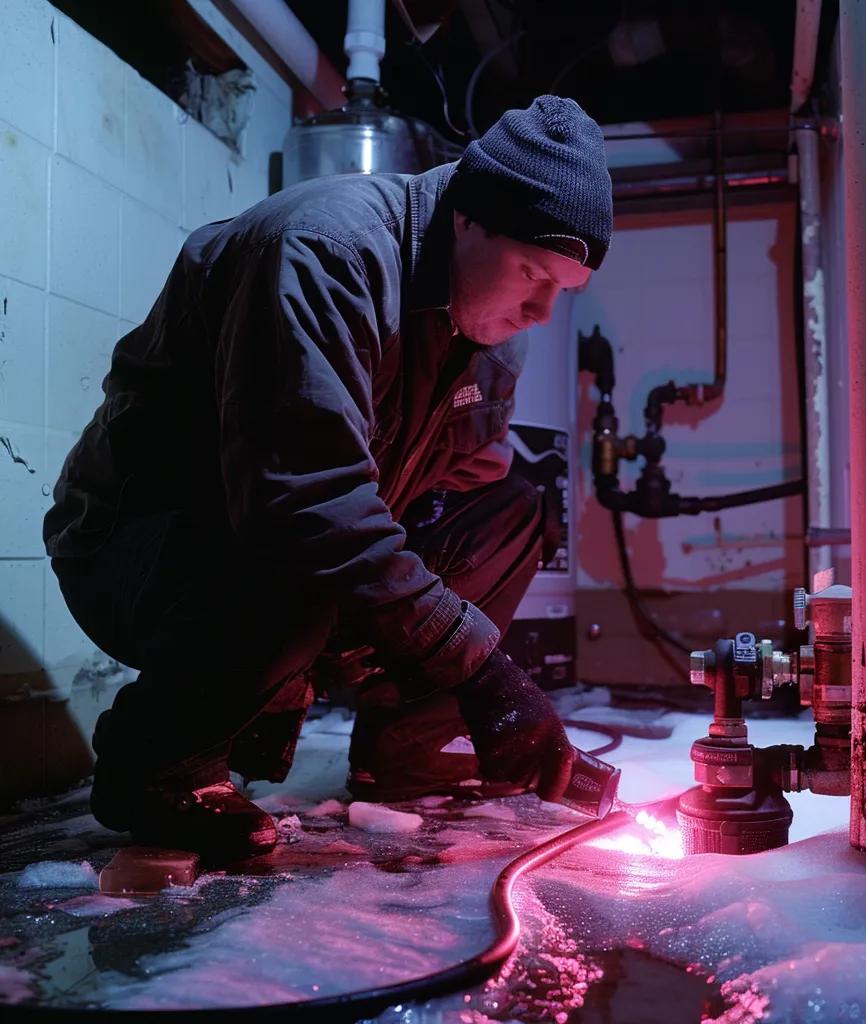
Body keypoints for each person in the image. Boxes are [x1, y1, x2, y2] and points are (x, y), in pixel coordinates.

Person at [43, 95, 613, 863]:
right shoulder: (326, 252)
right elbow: (303, 500)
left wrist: (428, 601)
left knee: (512, 513)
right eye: (530, 273)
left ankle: (400, 755)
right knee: (313, 543)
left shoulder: (487, 324)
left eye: (564, 290)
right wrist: (481, 668)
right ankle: (159, 766)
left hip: (286, 539)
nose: (543, 310)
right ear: (466, 217)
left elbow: (466, 472)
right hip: (144, 547)